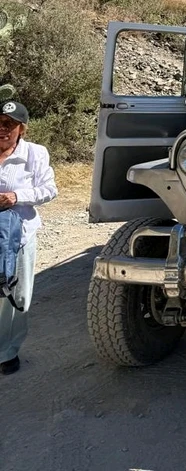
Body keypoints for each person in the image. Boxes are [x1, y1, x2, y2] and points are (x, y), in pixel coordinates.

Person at [0, 100, 57, 374]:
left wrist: (16, 196)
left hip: (19, 234)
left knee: (14, 293)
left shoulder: (35, 153)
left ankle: (7, 352)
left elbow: (49, 189)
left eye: (9, 124)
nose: (2, 129)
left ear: (21, 128)